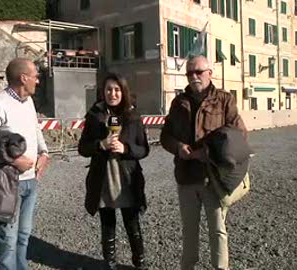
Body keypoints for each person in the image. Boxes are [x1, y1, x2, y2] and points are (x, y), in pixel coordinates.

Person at [160, 55, 247, 270]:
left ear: (210, 72)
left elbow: (239, 135)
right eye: (190, 73)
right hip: (186, 177)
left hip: (213, 179)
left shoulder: (225, 100)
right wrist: (178, 147)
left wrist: (207, 153)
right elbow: (165, 136)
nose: (194, 76)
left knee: (218, 230)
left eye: (198, 72)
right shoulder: (178, 102)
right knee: (189, 230)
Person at [0, 58, 50, 270]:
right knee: (8, 241)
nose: (38, 80)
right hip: (9, 185)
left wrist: (44, 152)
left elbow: (35, 129)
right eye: (36, 76)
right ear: (23, 78)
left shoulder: (28, 101)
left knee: (24, 236)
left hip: (31, 181)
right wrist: (14, 160)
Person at [78, 73, 150, 270]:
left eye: (117, 89)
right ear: (103, 91)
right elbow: (82, 148)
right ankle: (109, 264)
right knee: (107, 226)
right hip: (103, 179)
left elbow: (144, 149)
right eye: (109, 89)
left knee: (132, 224)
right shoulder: (95, 115)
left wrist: (126, 149)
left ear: (123, 91)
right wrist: (101, 144)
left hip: (127, 178)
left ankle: (139, 264)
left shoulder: (133, 116)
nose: (112, 93)